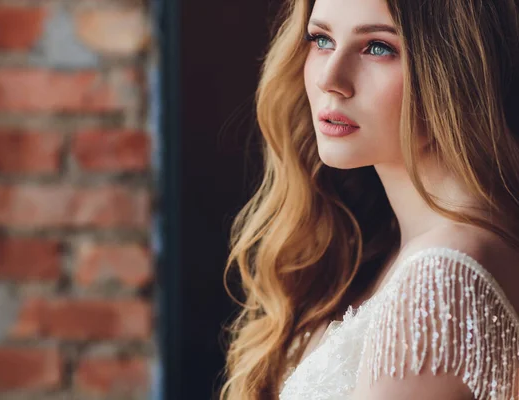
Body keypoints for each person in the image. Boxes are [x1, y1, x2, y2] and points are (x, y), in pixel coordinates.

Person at [219, 0, 519, 399]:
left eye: (377, 47)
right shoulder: (390, 245)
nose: (331, 78)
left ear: (457, 67)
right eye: (321, 39)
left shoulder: (442, 278)